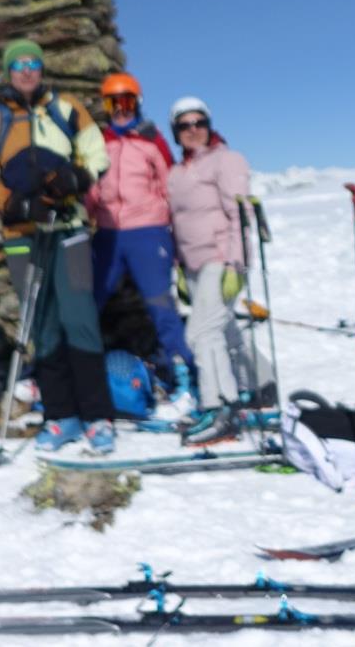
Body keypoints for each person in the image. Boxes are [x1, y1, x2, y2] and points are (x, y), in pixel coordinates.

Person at [0, 39, 114, 453]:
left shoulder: (66, 108)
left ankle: (97, 415)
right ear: (8, 71)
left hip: (69, 228)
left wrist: (78, 177)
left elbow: (96, 152)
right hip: (22, 235)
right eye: (18, 64)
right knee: (42, 325)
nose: (26, 70)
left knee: (80, 317)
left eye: (33, 62)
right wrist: (13, 203)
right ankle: (61, 416)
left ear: (41, 68)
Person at [166, 96, 273, 446]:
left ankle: (220, 408)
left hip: (221, 258)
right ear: (176, 132)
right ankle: (261, 384)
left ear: (209, 126)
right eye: (185, 125)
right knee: (223, 328)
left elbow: (239, 214)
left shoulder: (227, 160)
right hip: (193, 263)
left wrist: (235, 264)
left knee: (201, 334)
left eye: (199, 123)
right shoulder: (176, 173)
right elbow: (177, 221)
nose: (193, 130)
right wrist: (180, 266)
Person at [84, 73, 195, 404]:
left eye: (127, 102)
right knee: (88, 304)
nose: (121, 110)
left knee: (160, 305)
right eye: (113, 104)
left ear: (137, 104)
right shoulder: (99, 143)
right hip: (108, 234)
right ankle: (81, 374)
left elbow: (170, 187)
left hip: (148, 231)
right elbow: (92, 188)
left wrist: (175, 236)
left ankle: (184, 377)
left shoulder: (152, 142)